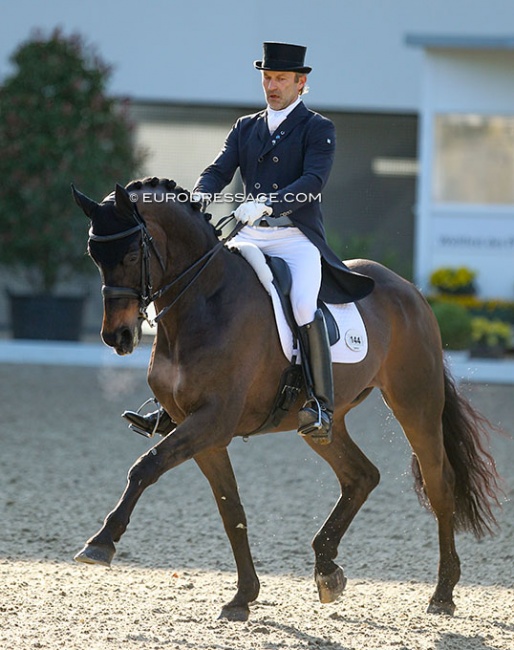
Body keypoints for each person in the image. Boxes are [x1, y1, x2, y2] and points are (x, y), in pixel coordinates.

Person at [124, 42, 374, 444]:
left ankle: (320, 404)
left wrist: (268, 204)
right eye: (267, 78)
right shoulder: (246, 127)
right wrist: (200, 194)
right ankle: (171, 403)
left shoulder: (318, 128)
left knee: (303, 305)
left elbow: (313, 182)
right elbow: (219, 167)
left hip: (295, 238)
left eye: (281, 79)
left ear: (300, 82)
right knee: (201, 288)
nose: (272, 86)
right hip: (248, 234)